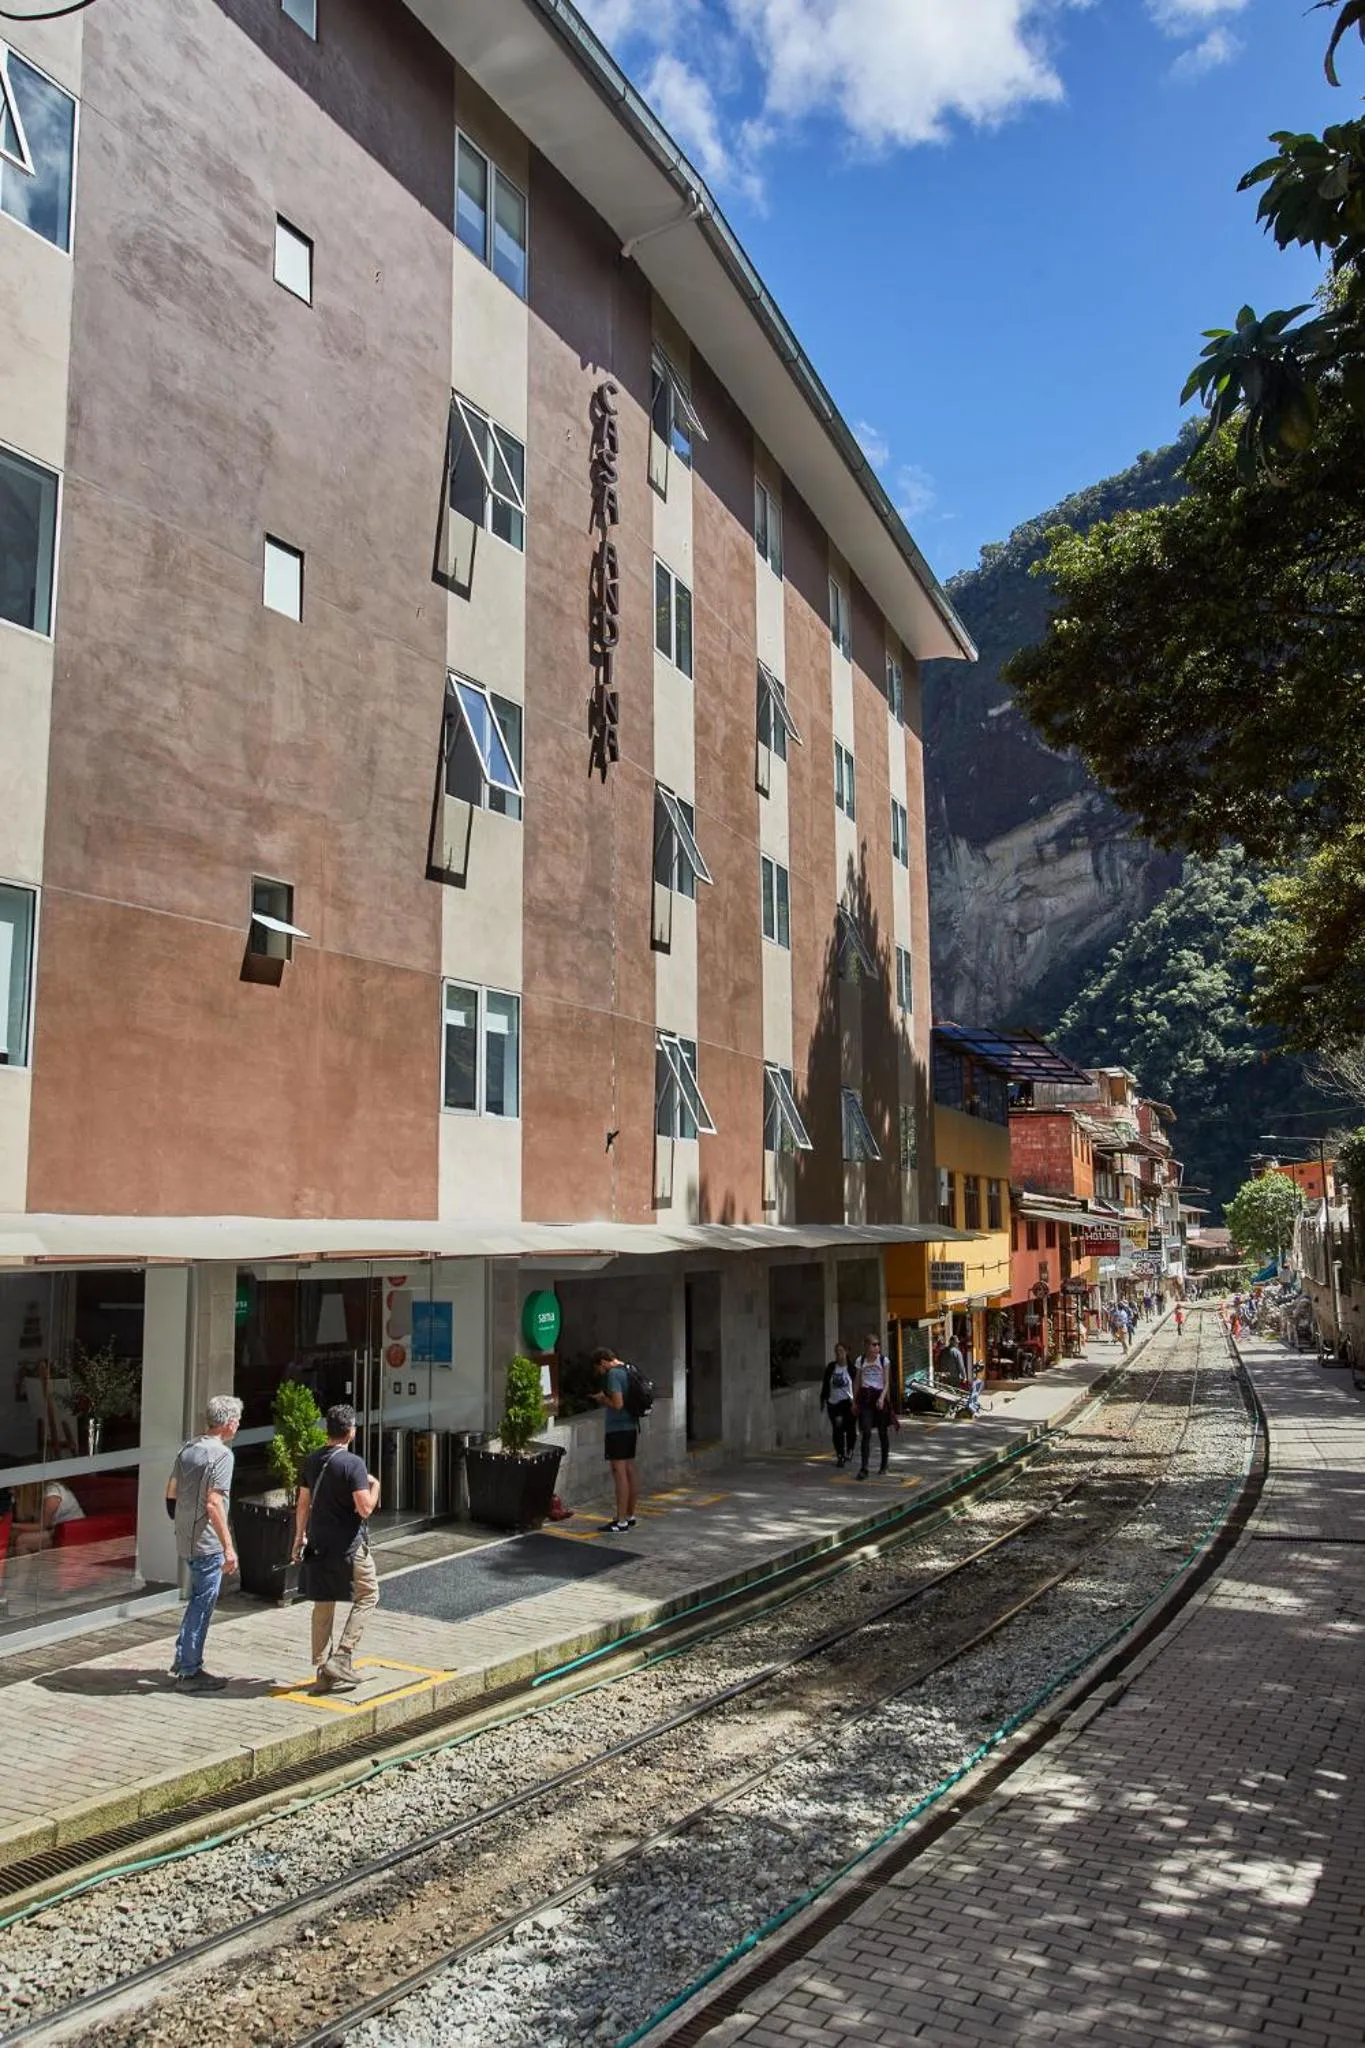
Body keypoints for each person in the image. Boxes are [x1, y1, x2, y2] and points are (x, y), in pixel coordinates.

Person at [292, 1403, 381, 1693]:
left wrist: (298, 1537)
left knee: (324, 1600)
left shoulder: (312, 1460)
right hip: (349, 1545)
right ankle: (342, 1655)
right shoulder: (353, 1464)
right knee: (369, 1594)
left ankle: (323, 1669)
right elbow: (365, 1508)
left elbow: (303, 1502)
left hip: (318, 1542)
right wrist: (375, 1485)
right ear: (351, 1432)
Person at [166, 1393, 242, 1692]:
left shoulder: (189, 1448)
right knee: (202, 1602)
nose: (238, 1425)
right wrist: (228, 1546)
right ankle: (189, 1669)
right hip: (206, 1542)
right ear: (227, 1423)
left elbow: (171, 1491)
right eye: (236, 1420)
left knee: (197, 1598)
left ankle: (183, 1656)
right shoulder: (222, 1456)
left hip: (185, 1537)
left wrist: (181, 1523)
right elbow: (214, 1504)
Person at [591, 1347, 638, 1532]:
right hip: (631, 1427)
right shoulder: (628, 1369)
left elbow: (618, 1404)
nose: (600, 1373)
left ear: (603, 1362)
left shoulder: (613, 1375)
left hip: (618, 1429)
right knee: (628, 1471)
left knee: (619, 1474)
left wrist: (603, 1399)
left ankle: (621, 1521)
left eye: (598, 1369)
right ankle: (629, 1515)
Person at [853, 1332, 893, 1480]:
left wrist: (882, 1398)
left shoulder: (883, 1361)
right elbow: (857, 1381)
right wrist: (854, 1401)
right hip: (865, 1398)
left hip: (879, 1397)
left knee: (883, 1432)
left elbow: (887, 1381)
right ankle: (864, 1468)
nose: (877, 1348)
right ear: (866, 1346)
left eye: (878, 1345)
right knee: (866, 1432)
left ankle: (884, 1464)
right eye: (873, 1345)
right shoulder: (860, 1360)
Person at [820, 1342, 857, 1467]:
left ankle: (850, 1449)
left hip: (848, 1402)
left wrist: (857, 1402)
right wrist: (823, 1399)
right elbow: (825, 1384)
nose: (839, 1354)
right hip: (833, 1403)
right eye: (837, 1351)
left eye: (841, 1351)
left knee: (850, 1428)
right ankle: (840, 1455)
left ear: (846, 1352)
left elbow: (857, 1385)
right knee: (838, 1429)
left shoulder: (852, 1369)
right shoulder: (831, 1367)